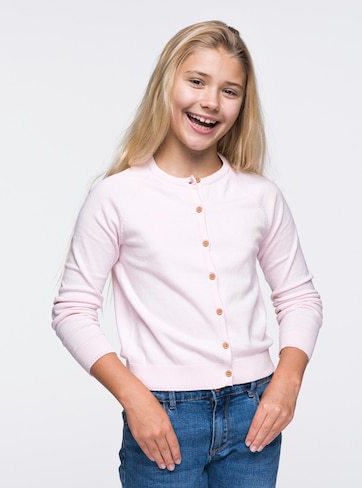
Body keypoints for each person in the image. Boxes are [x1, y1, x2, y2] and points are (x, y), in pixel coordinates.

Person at [51, 20, 322, 488]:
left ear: (243, 104)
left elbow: (299, 297)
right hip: (166, 415)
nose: (211, 102)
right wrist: (135, 398)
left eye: (230, 90)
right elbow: (72, 310)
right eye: (196, 81)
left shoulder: (260, 195)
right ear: (166, 84)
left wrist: (288, 381)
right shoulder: (116, 196)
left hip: (253, 415)